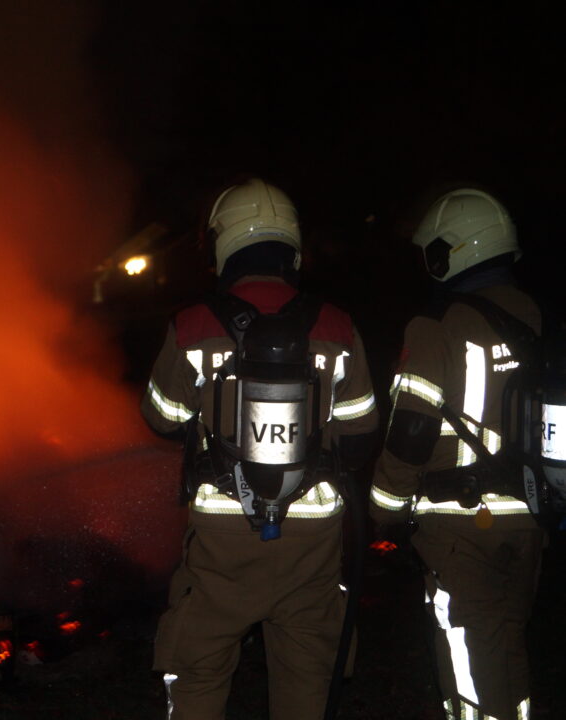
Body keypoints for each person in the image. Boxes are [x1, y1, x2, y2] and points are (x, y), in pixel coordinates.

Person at [142, 177, 379, 719]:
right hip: (312, 540)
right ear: (291, 246)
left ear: (224, 244)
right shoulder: (338, 326)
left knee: (199, 669)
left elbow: (162, 419)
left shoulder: (191, 325)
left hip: (222, 540)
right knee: (305, 677)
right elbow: (362, 432)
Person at [369, 187, 544, 720]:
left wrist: (384, 509)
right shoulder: (536, 318)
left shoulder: (437, 325)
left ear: (451, 251)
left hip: (460, 526)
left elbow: (411, 430)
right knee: (506, 651)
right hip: (532, 518)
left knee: (471, 664)